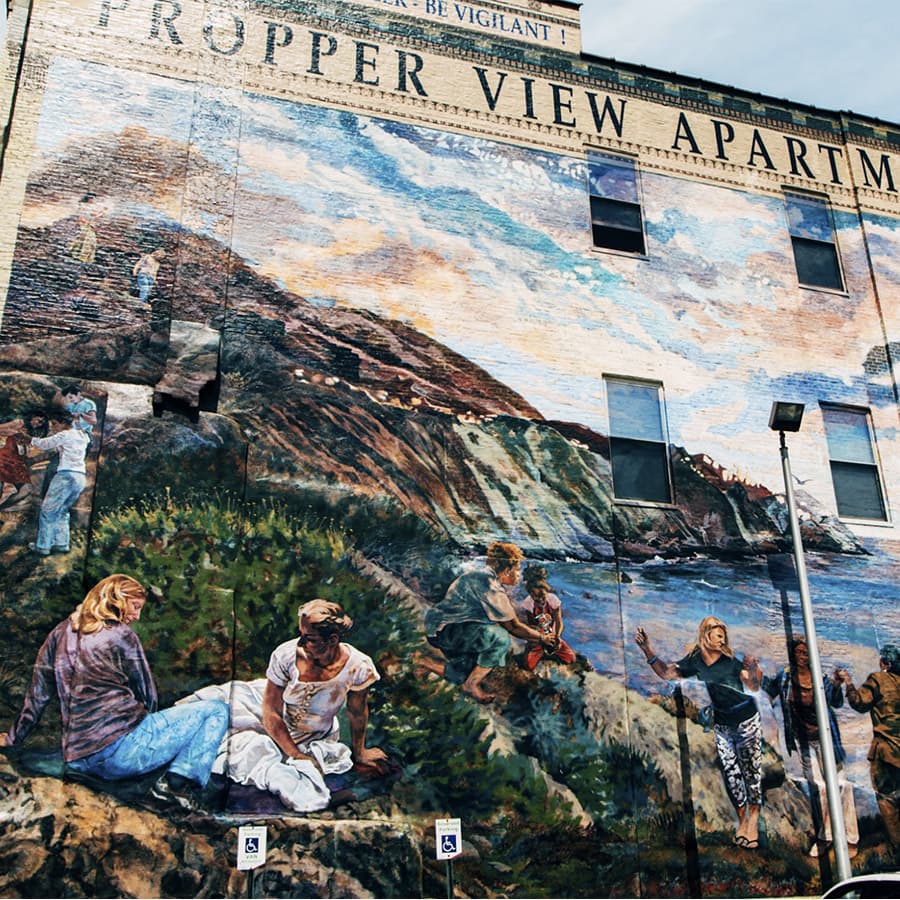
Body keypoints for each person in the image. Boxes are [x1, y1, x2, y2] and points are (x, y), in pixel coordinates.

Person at [0, 575, 229, 812]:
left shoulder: (59, 632)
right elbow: (147, 694)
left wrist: (13, 738)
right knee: (217, 710)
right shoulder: (121, 635)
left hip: (77, 758)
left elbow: (37, 695)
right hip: (119, 755)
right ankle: (175, 785)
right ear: (117, 599)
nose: (137, 616)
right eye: (135, 607)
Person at [179, 599, 393, 813]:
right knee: (213, 722)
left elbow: (357, 712)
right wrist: (295, 754)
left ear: (332, 640)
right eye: (301, 635)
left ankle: (322, 797)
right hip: (266, 714)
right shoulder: (287, 655)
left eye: (309, 639)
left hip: (312, 733)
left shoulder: (359, 665)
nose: (300, 643)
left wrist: (360, 751)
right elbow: (270, 711)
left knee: (281, 769)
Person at [636, 616, 764, 849]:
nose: (721, 640)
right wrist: (647, 650)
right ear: (706, 636)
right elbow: (666, 673)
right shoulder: (696, 661)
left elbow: (753, 686)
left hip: (746, 721)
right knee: (731, 774)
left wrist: (754, 668)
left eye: (723, 636)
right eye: (717, 636)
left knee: (751, 772)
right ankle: (743, 820)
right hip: (723, 724)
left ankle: (753, 822)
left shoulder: (731, 662)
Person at [419, 541, 559, 703]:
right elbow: (513, 626)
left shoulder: (480, 575)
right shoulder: (489, 585)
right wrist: (543, 638)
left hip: (441, 627)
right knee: (501, 639)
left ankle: (425, 663)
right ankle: (472, 685)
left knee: (465, 672)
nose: (519, 575)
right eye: (517, 570)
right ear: (507, 570)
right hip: (446, 631)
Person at [763, 638, 859, 858]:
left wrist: (836, 683)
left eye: (806, 653)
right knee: (819, 788)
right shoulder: (785, 678)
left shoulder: (821, 679)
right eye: (798, 652)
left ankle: (851, 838)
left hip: (827, 740)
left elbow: (835, 702)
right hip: (804, 742)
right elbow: (767, 690)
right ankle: (825, 837)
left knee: (843, 785)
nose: (802, 656)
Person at [838, 644, 900, 845]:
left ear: (886, 663)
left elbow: (859, 703)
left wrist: (848, 683)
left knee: (887, 801)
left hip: (886, 751)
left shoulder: (878, 679)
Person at [27, 413, 90, 556]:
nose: (54, 428)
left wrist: (29, 439)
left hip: (65, 475)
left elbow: (45, 444)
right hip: (80, 476)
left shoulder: (65, 435)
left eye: (55, 424)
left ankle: (43, 546)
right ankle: (61, 543)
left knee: (48, 510)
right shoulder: (82, 436)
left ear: (63, 423)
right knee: (62, 510)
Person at [519, 564, 576, 671]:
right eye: (535, 597)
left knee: (570, 658)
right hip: (539, 636)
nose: (540, 599)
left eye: (542, 596)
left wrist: (557, 637)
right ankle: (540, 652)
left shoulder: (553, 600)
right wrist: (541, 638)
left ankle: (550, 653)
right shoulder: (528, 603)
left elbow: (559, 621)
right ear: (530, 593)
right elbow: (532, 624)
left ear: (547, 591)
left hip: (553, 634)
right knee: (529, 665)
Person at [61, 384, 97, 452]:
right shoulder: (69, 405)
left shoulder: (88, 404)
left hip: (84, 434)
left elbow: (93, 421)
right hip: (71, 434)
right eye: (67, 398)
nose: (69, 400)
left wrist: (81, 415)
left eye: (71, 397)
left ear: (78, 394)